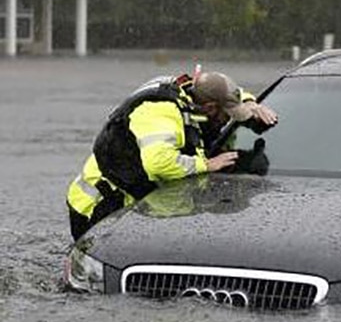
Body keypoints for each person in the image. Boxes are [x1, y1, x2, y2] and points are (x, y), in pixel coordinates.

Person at [65, 71, 277, 241]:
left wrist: (249, 103)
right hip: (97, 205)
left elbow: (226, 90)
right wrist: (205, 165)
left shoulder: (193, 92)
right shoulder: (162, 112)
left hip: (137, 201)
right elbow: (158, 164)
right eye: (227, 114)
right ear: (210, 108)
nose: (227, 120)